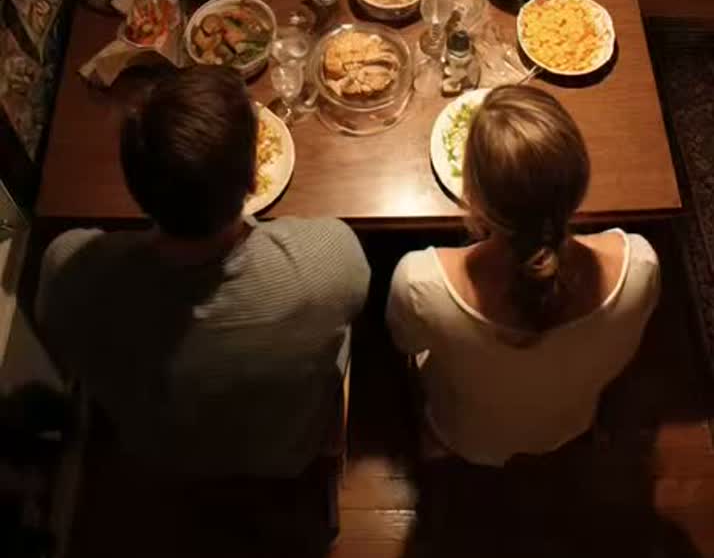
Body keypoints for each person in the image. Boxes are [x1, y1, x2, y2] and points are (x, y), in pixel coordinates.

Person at [36, 66, 370, 479]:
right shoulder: (329, 258)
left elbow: (58, 330)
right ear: (254, 180)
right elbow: (355, 294)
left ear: (135, 188)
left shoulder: (68, 270)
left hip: (157, 456)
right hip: (283, 454)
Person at [387, 85, 660, 466]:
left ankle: (435, 443)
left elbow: (406, 343)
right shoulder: (641, 265)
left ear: (474, 198)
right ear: (581, 182)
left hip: (469, 437)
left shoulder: (418, 281)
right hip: (569, 424)